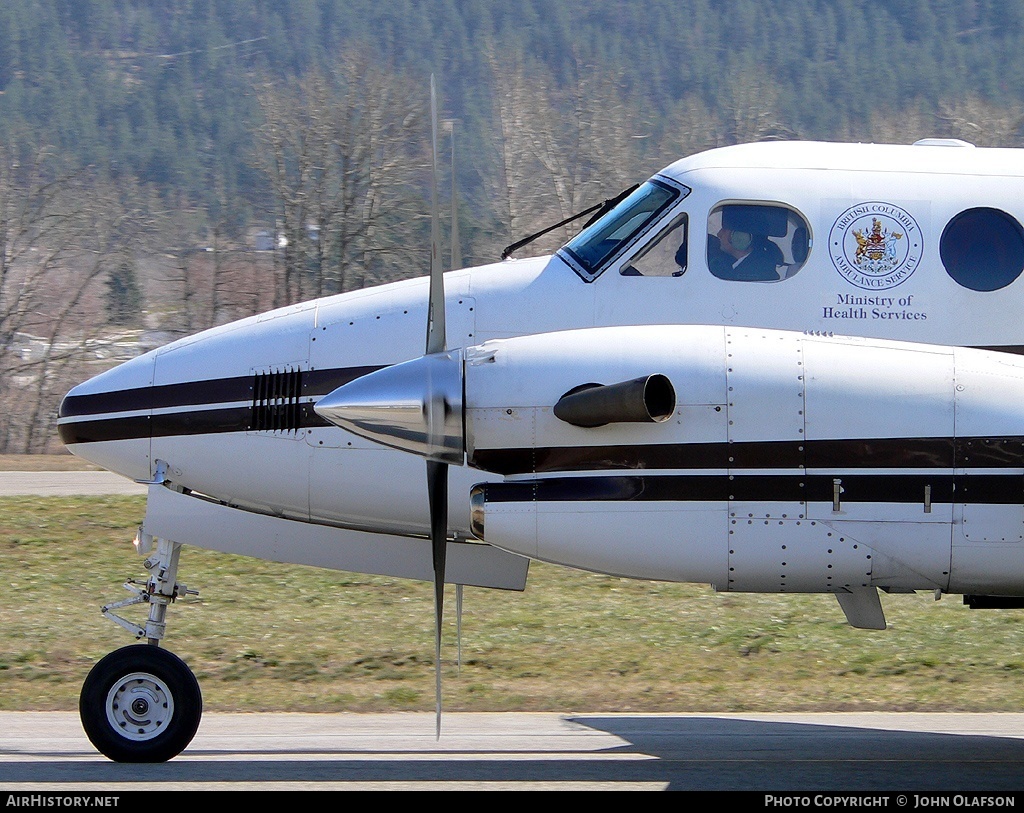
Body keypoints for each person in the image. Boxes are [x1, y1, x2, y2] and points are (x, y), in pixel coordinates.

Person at [707, 226, 782, 281]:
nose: (719, 234)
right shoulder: (760, 266)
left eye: (725, 229)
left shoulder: (761, 275)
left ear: (741, 236)